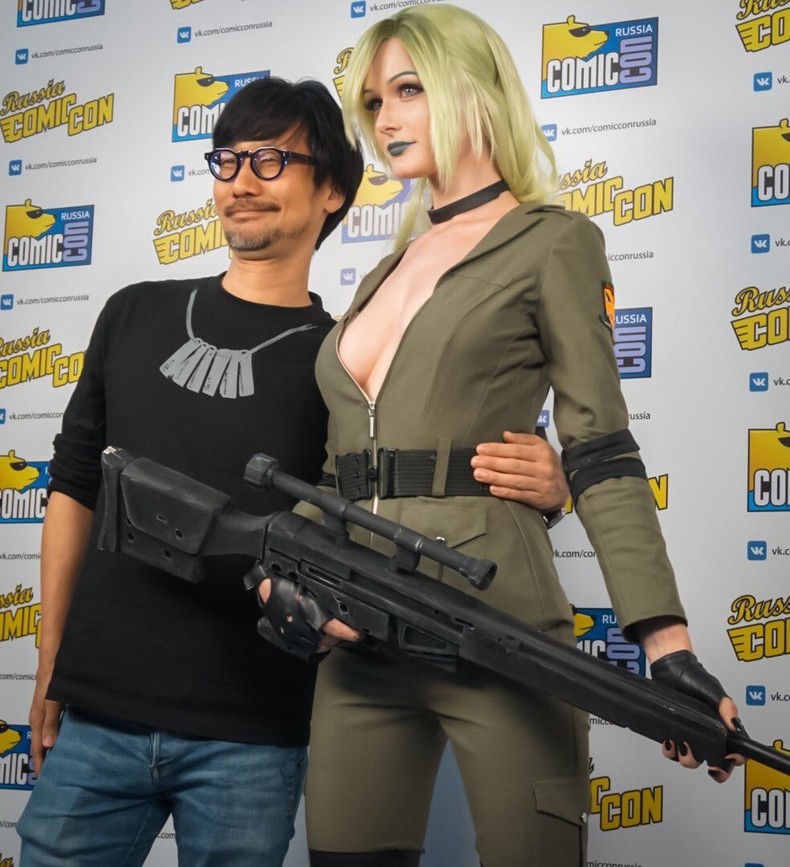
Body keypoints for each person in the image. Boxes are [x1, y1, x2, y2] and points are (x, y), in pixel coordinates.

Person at [16, 75, 567, 867]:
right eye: (228, 159)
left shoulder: (346, 364)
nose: (241, 181)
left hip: (253, 736)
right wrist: (49, 662)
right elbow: (73, 486)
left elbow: (403, 485)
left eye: (271, 160)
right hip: (96, 715)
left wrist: (551, 482)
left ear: (332, 190)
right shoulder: (132, 311)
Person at [267, 7, 743, 867]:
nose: (386, 119)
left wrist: (665, 645)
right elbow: (340, 470)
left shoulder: (555, 242)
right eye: (374, 102)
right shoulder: (384, 269)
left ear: (476, 91)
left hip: (498, 627)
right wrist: (283, 575)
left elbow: (600, 448)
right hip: (358, 640)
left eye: (409, 89)